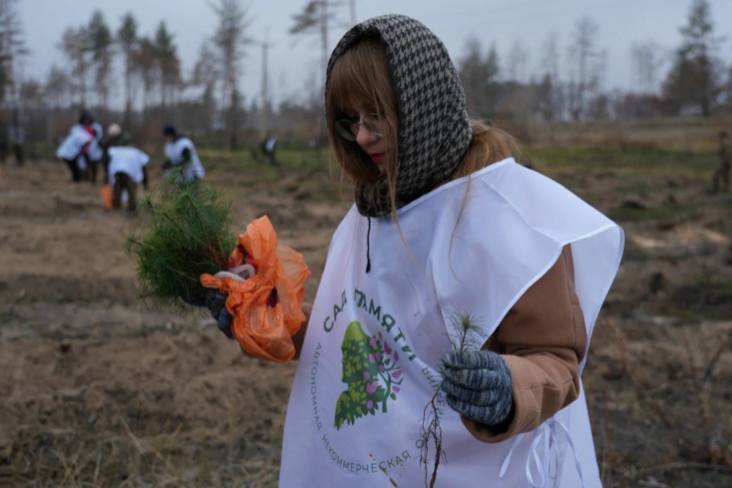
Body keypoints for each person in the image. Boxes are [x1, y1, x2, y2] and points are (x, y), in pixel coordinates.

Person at [197, 15, 623, 487]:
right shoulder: (376, 208)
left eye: (377, 113)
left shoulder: (510, 217)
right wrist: (267, 317)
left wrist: (507, 388)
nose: (361, 136)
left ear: (421, 101)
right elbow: (358, 331)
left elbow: (556, 361)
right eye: (349, 120)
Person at [104, 124, 149, 213]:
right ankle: (130, 208)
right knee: (129, 191)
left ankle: (121, 208)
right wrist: (145, 181)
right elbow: (143, 164)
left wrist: (107, 174)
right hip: (129, 171)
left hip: (119, 169)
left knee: (119, 189)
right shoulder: (132, 150)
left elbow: (106, 161)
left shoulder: (113, 149)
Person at [56, 111, 96, 182]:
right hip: (68, 153)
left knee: (75, 167)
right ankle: (76, 180)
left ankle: (76, 180)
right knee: (74, 167)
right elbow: (83, 148)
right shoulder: (84, 136)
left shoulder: (81, 132)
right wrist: (87, 159)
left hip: (69, 153)